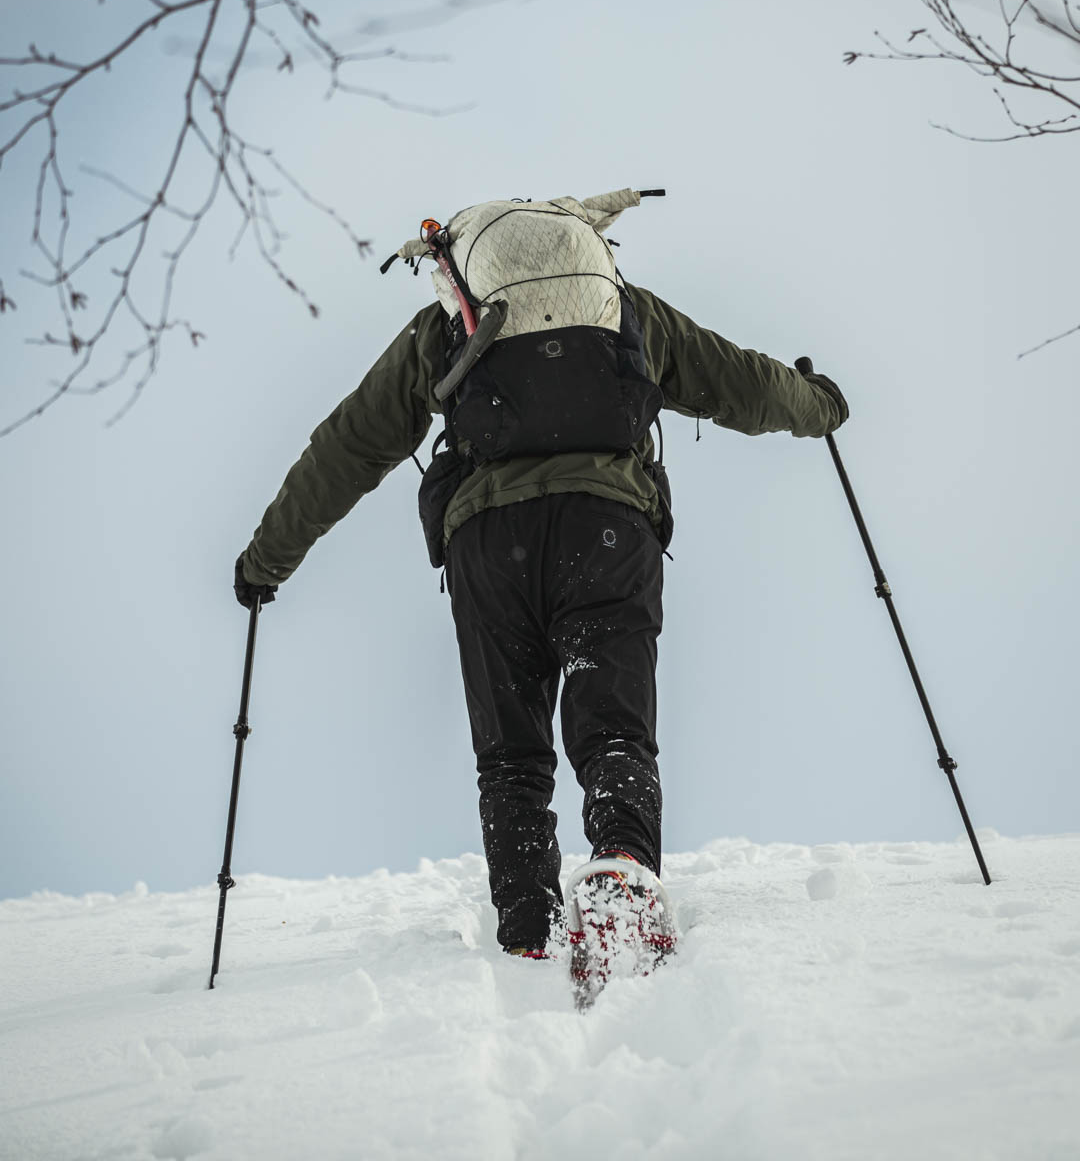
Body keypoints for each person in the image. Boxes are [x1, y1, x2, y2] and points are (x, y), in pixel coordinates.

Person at [234, 204, 847, 961]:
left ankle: (527, 927)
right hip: (607, 529)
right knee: (614, 725)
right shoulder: (626, 312)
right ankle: (622, 869)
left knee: (511, 753)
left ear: (460, 263)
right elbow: (744, 386)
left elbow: (350, 445)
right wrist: (820, 404)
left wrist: (267, 560)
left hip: (488, 547)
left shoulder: (448, 329)